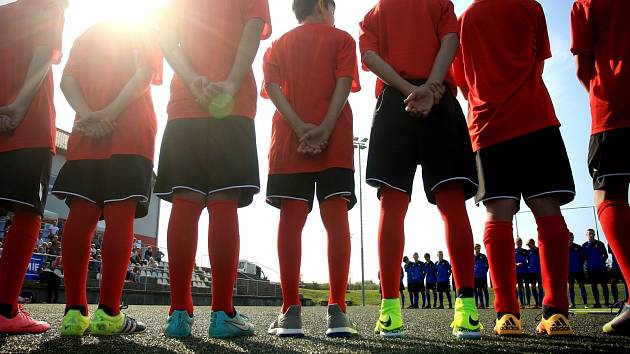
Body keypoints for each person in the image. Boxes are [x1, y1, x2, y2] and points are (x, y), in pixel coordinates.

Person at [450, 0, 575, 336]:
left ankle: (507, 315)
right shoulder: (530, 6)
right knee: (547, 209)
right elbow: (539, 63)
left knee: (498, 213)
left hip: (487, 127)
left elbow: (461, 84)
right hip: (534, 118)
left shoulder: (462, 21)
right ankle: (557, 312)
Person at [359, 0, 481, 339]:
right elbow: (450, 41)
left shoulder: (376, 13)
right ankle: (467, 311)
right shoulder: (440, 3)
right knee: (452, 203)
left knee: (393, 205)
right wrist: (430, 86)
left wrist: (410, 89)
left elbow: (369, 57)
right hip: (438, 98)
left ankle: (390, 313)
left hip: (398, 104)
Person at [157, 0, 271, 339]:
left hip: (185, 104)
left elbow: (167, 39)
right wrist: (232, 82)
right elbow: (253, 28)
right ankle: (222, 312)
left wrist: (193, 81)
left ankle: (178, 313)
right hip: (231, 105)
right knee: (223, 200)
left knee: (185, 200)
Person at [53, 20, 162, 336]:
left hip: (87, 131)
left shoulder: (88, 35)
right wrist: (109, 114)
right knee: (120, 216)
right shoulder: (144, 28)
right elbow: (143, 75)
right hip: (130, 130)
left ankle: (74, 314)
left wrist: (89, 114)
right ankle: (109, 313)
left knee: (81, 216)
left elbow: (67, 82)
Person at [262, 0, 359, 338]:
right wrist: (325, 128)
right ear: (321, 5)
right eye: (333, 8)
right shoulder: (343, 38)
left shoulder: (277, 45)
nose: (334, 16)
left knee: (291, 219)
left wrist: (301, 127)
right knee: (336, 218)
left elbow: (272, 89)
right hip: (334, 140)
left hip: (290, 141)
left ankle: (290, 312)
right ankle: (338, 312)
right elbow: (344, 84)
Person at [0, 0, 66, 334]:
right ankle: (6, 308)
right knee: (28, 214)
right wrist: (17, 106)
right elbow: (43, 55)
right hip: (28, 125)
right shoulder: (49, 6)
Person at [571, 0, 630, 334]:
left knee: (609, 194)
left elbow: (582, 67)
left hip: (616, 102)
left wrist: (601, 94)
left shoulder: (585, 3)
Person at [582, 229, 610, 308]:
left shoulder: (600, 244)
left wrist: (601, 262)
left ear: (594, 234)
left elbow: (606, 255)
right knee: (593, 286)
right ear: (586, 235)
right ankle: (597, 303)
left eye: (592, 234)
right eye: (589, 234)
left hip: (601, 269)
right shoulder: (584, 245)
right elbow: (584, 258)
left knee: (604, 285)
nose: (591, 235)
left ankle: (607, 303)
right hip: (591, 269)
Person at [568, 232, 588, 309]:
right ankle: (572, 303)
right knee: (571, 286)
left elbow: (583, 258)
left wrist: (582, 266)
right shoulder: (564, 247)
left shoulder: (578, 247)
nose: (571, 238)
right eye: (569, 236)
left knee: (582, 286)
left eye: (572, 236)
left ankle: (585, 303)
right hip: (569, 271)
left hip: (579, 270)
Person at [526, 239, 543, 309]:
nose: (528, 246)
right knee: (533, 286)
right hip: (531, 272)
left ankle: (541, 303)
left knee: (540, 287)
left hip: (539, 272)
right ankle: (536, 303)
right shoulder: (529, 252)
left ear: (532, 243)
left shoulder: (539, 250)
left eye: (529, 245)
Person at [515, 238, 531, 308]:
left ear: (521, 243)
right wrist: (516, 264)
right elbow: (511, 261)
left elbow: (529, 260)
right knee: (520, 287)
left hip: (525, 271)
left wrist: (525, 264)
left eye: (520, 242)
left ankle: (528, 302)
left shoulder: (525, 251)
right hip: (517, 272)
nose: (519, 244)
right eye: (518, 242)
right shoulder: (513, 251)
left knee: (527, 287)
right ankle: (521, 303)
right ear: (516, 243)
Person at [473, 244, 490, 309]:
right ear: (474, 249)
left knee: (485, 290)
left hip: (483, 276)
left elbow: (487, 265)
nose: (478, 250)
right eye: (477, 248)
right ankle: (481, 304)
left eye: (479, 248)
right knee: (478, 290)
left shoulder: (483, 256)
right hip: (475, 277)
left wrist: (484, 272)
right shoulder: (472, 257)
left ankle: (487, 304)